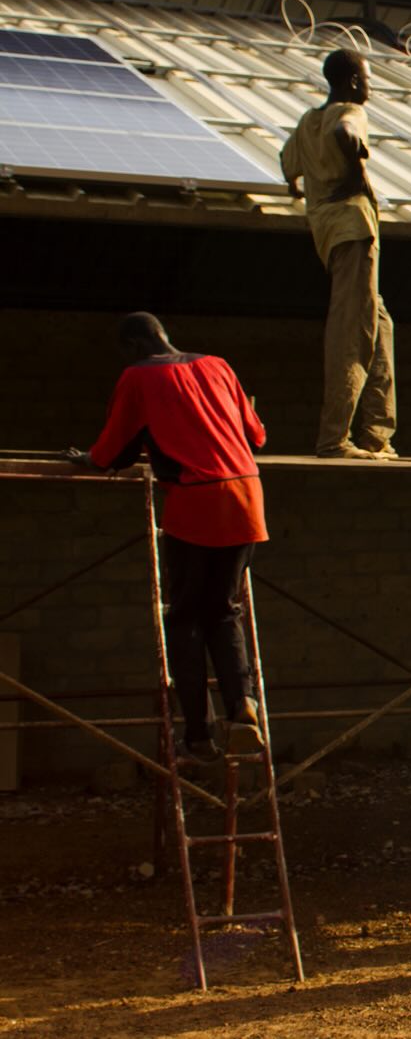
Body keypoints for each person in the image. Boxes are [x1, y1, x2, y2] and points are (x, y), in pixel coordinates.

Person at [65, 313, 269, 763]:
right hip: (247, 495)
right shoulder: (218, 364)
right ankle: (243, 708)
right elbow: (256, 434)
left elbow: (112, 450)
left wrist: (86, 459)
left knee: (184, 619)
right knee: (224, 610)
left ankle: (198, 735)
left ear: (136, 346)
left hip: (197, 501)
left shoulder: (138, 376)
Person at [280, 47, 396, 460]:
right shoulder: (348, 111)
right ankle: (334, 439)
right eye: (367, 81)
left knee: (379, 323)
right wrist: (356, 158)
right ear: (351, 82)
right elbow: (345, 130)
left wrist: (298, 187)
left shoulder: (307, 122)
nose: (368, 90)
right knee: (352, 330)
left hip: (329, 234)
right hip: (354, 231)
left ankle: (377, 436)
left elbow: (286, 162)